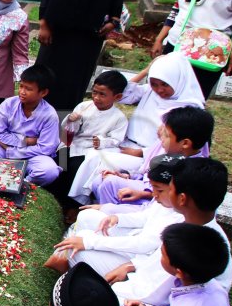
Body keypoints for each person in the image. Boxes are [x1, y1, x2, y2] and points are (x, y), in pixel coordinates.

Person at [66, 54, 204, 203]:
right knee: (90, 155)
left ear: (178, 80)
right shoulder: (150, 92)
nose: (159, 89)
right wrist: (146, 71)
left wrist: (141, 152)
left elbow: (176, 145)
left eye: (164, 84)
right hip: (126, 145)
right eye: (154, 83)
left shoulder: (188, 107)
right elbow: (123, 93)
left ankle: (81, 202)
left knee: (97, 159)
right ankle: (82, 201)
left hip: (150, 155)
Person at [108, 158, 232, 306]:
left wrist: (112, 290)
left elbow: (152, 295)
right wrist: (132, 266)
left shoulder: (190, 246)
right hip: (145, 286)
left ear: (182, 199)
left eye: (171, 187)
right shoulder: (198, 227)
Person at [48, 154, 184, 274]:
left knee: (77, 248)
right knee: (86, 216)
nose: (154, 194)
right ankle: (67, 259)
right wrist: (118, 218)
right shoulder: (167, 202)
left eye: (159, 190)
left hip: (137, 262)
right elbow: (145, 217)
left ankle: (68, 276)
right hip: (134, 243)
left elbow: (143, 244)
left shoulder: (180, 218)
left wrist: (90, 242)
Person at [90, 105, 214, 208]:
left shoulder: (190, 170)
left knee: (110, 183)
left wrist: (143, 193)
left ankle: (110, 217)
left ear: (185, 143)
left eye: (166, 136)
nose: (161, 140)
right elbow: (149, 175)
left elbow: (167, 194)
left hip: (152, 201)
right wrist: (128, 175)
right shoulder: (171, 157)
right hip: (146, 188)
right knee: (98, 181)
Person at [0, 64, 61, 187]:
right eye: (21, 86)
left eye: (28, 89)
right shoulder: (8, 104)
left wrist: (13, 151)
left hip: (31, 156)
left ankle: (22, 184)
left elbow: (46, 148)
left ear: (43, 92)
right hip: (3, 150)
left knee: (49, 171)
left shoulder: (50, 115)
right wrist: (26, 141)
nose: (22, 92)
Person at [51, 69, 128, 211]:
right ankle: (51, 196)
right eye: (94, 92)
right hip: (74, 143)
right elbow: (69, 131)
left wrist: (102, 141)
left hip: (92, 152)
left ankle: (68, 204)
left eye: (102, 94)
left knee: (76, 168)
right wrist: (72, 120)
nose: (96, 98)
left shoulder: (119, 118)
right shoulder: (83, 106)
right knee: (60, 161)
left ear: (117, 97)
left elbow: (116, 139)